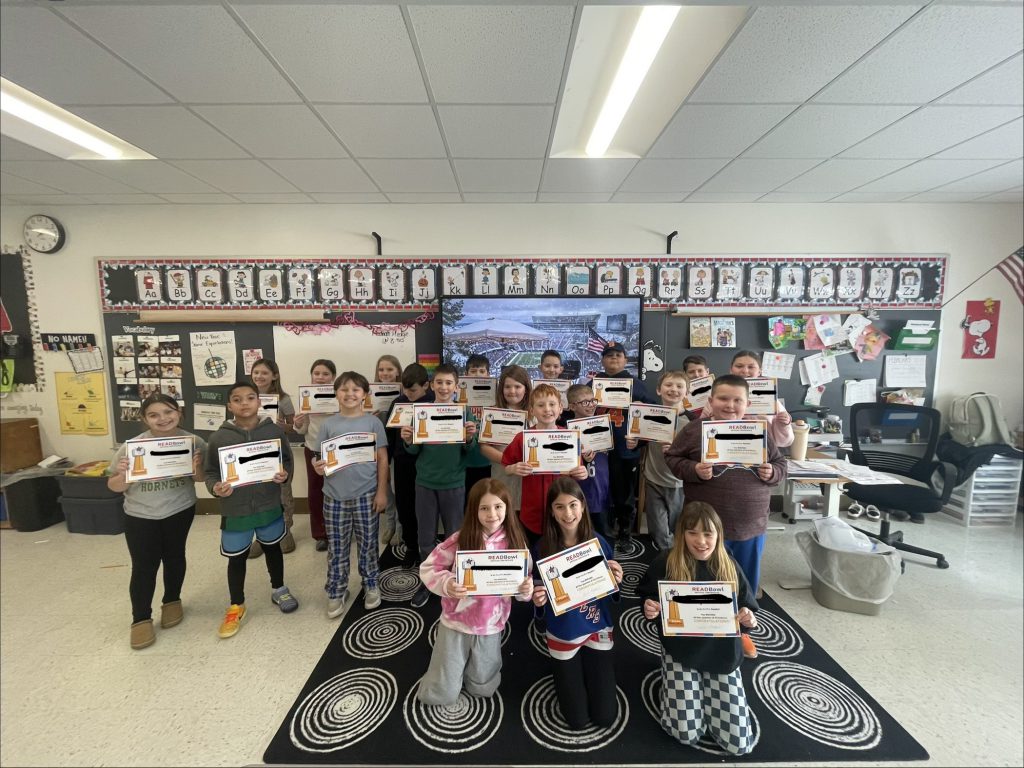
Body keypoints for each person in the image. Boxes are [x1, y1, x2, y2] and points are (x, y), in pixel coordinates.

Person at [665, 374, 785, 659]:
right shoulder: (696, 430)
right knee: (700, 580)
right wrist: (694, 469)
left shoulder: (761, 430)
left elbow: (781, 463)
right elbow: (672, 458)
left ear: (748, 403)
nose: (730, 405)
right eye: (723, 399)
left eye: (737, 400)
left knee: (744, 583)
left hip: (749, 523)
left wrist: (774, 472)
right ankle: (698, 628)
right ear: (710, 400)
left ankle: (740, 634)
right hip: (703, 529)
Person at [638, 502, 758, 756]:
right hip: (681, 649)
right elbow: (647, 598)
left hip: (722, 652)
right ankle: (674, 683)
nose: (701, 541)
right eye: (692, 533)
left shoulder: (729, 566)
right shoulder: (666, 562)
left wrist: (749, 618)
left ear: (718, 535)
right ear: (682, 534)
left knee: (739, 743)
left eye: (708, 533)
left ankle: (700, 695)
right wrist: (649, 608)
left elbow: (748, 606)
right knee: (685, 732)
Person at [417, 478, 533, 706]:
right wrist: (448, 584)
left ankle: (479, 682)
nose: (492, 514)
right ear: (474, 510)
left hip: (491, 623)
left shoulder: (516, 544)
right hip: (456, 621)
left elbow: (523, 584)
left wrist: (525, 590)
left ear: (507, 508)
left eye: (498, 506)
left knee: (484, 682)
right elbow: (429, 568)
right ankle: (442, 685)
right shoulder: (460, 539)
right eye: (484, 508)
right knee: (442, 693)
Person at [108, 394, 206, 650]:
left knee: (175, 556)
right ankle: (140, 618)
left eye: (168, 412)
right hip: (140, 514)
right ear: (144, 418)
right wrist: (124, 475)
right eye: (154, 414)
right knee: (143, 566)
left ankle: (172, 601)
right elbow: (114, 485)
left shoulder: (193, 442)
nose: (162, 418)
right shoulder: (132, 446)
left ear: (179, 413)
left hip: (179, 509)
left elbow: (199, 479)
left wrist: (196, 467)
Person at [205, 381, 298, 639]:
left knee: (273, 548)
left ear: (259, 401)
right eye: (237, 399)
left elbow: (286, 461)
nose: (244, 403)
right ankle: (236, 604)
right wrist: (215, 487)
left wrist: (284, 475)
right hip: (236, 509)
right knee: (237, 558)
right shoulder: (219, 437)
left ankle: (279, 588)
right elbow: (211, 471)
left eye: (250, 398)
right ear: (229, 405)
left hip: (268, 504)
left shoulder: (274, 432)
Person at [531, 477, 622, 728]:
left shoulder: (599, 543)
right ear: (551, 511)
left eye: (573, 505)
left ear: (582, 505)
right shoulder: (542, 549)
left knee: (605, 716)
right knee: (576, 719)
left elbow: (611, 594)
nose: (568, 513)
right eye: (559, 507)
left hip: (596, 626)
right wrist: (538, 601)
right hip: (564, 630)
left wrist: (616, 579)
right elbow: (539, 599)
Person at [311, 371, 389, 617]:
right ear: (336, 394)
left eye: (356, 389)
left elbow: (383, 459)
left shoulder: (373, 423)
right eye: (344, 389)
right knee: (337, 546)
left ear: (365, 395)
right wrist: (317, 465)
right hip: (334, 497)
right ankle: (336, 589)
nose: (350, 394)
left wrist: (382, 492)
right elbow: (318, 457)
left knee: (368, 544)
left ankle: (371, 583)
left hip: (367, 495)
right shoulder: (328, 424)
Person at [401, 364, 478, 608]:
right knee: (425, 536)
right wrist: (408, 440)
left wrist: (469, 438)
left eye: (448, 383)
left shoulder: (465, 414)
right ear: (432, 385)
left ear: (457, 387)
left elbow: (470, 450)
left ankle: (454, 581)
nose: (444, 387)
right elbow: (414, 450)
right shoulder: (421, 412)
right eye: (439, 382)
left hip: (454, 483)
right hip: (425, 483)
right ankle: (428, 581)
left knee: (455, 536)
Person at [501, 383, 589, 545]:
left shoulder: (570, 437)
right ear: (532, 410)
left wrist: (582, 473)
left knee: (560, 549)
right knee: (533, 552)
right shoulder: (523, 438)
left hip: (563, 513)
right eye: (541, 405)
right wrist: (514, 468)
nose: (547, 409)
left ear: (561, 408)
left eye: (552, 404)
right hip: (532, 512)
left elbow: (579, 470)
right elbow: (506, 466)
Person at [589, 341, 652, 549]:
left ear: (625, 359)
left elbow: (655, 418)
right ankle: (604, 531)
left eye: (618, 355)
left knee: (624, 494)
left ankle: (625, 531)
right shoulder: (594, 383)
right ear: (602, 360)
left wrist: (640, 441)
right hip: (599, 450)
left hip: (626, 450)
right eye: (609, 355)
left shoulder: (637, 384)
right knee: (602, 491)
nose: (614, 358)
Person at [626, 370, 689, 551]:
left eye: (679, 386)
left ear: (687, 392)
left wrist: (676, 450)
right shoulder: (649, 414)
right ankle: (667, 559)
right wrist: (634, 443)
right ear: (659, 390)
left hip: (679, 484)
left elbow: (696, 454)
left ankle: (676, 561)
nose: (673, 389)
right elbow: (641, 441)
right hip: (653, 480)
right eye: (668, 385)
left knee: (677, 527)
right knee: (658, 529)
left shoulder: (692, 422)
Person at [387, 363, 433, 569]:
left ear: (426, 385)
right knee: (405, 507)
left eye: (413, 389)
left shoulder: (434, 402)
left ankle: (429, 548)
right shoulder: (398, 403)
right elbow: (389, 436)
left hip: (427, 463)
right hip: (403, 464)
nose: (408, 393)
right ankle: (411, 546)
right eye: (405, 389)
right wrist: (387, 463)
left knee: (427, 510)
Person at [250, 358, 296, 556]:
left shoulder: (283, 399)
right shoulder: (246, 396)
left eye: (264, 373)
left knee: (283, 493)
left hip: (279, 452)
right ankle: (262, 537)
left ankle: (286, 531)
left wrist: (281, 425)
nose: (259, 376)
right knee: (258, 495)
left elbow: (293, 428)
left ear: (274, 376)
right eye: (256, 372)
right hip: (253, 453)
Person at [703, 350, 794, 448]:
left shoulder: (772, 402)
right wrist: (711, 419)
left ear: (759, 371)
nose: (745, 371)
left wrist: (783, 424)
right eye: (739, 366)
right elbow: (699, 434)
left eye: (751, 367)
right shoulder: (716, 397)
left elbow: (784, 442)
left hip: (760, 453)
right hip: (723, 452)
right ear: (731, 369)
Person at [292, 359, 337, 553]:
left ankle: (338, 530)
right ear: (311, 376)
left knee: (339, 490)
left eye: (325, 374)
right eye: (316, 373)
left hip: (337, 449)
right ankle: (320, 534)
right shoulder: (305, 397)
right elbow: (302, 431)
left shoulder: (340, 395)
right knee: (316, 492)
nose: (320, 377)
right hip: (313, 449)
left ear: (333, 377)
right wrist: (298, 422)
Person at [479, 364, 531, 526]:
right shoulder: (492, 413)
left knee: (524, 523)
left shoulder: (534, 413)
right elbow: (484, 447)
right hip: (502, 475)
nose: (512, 391)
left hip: (529, 479)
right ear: (501, 389)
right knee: (504, 521)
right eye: (507, 386)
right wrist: (508, 460)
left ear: (526, 388)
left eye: (517, 386)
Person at [563, 383, 610, 537]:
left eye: (592, 401)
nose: (590, 405)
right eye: (584, 402)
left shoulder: (603, 426)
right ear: (572, 406)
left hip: (600, 488)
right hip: (577, 490)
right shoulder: (566, 431)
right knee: (578, 532)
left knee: (602, 530)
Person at [374, 354, 404, 549]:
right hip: (377, 448)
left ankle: (400, 526)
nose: (385, 373)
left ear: (398, 372)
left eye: (389, 370)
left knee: (396, 487)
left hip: (396, 448)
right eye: (381, 370)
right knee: (385, 487)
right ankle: (390, 523)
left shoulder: (404, 394)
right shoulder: (369, 394)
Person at [463, 354, 493, 492]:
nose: (478, 375)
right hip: (465, 462)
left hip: (488, 461)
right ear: (466, 374)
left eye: (482, 371)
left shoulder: (496, 399)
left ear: (488, 374)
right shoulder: (458, 398)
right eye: (473, 371)